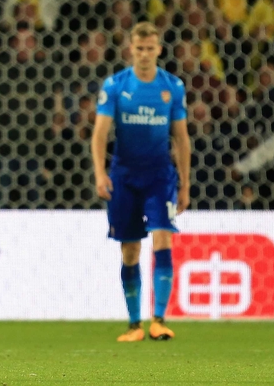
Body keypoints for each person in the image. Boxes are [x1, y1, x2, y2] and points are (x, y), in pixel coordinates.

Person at [91, 22, 190, 342]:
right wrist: (100, 172)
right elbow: (100, 134)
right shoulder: (116, 85)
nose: (145, 54)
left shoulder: (172, 87)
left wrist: (185, 183)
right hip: (124, 176)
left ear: (159, 49)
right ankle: (135, 324)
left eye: (150, 48)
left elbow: (182, 138)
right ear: (130, 49)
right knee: (130, 250)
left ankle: (159, 320)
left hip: (160, 176)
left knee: (163, 238)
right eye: (139, 48)